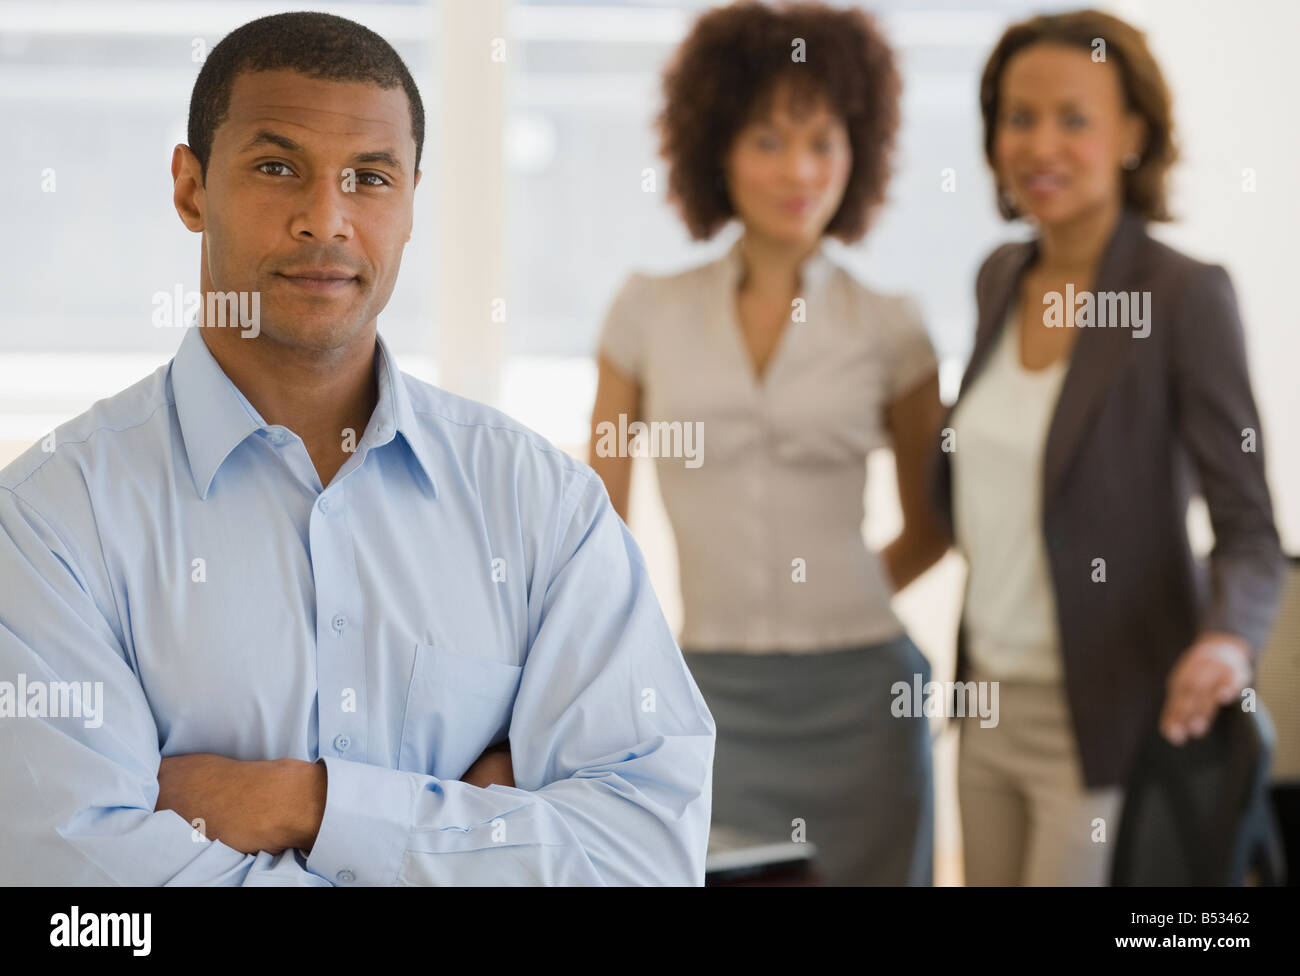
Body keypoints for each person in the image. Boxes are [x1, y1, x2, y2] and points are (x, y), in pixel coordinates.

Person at [0, 11, 714, 886]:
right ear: (190, 188)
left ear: (413, 198)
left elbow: (647, 855)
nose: (325, 219)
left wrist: (314, 804)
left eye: (369, 178)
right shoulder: (49, 523)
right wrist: (473, 824)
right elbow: (84, 896)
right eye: (276, 168)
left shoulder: (542, 506)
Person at [589, 0, 947, 885]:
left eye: (824, 141)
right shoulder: (646, 310)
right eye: (768, 140)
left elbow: (934, 524)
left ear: (860, 151)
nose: (801, 170)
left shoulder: (893, 326)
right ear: (715, 147)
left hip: (864, 694)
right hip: (703, 692)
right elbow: (597, 522)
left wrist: (840, 599)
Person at [931, 8, 1285, 885]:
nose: (1040, 143)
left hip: (1108, 717)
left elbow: (1249, 532)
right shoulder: (997, 278)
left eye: (1073, 118)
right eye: (1019, 117)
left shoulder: (1184, 294)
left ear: (1133, 132)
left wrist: (1227, 642)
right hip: (986, 710)